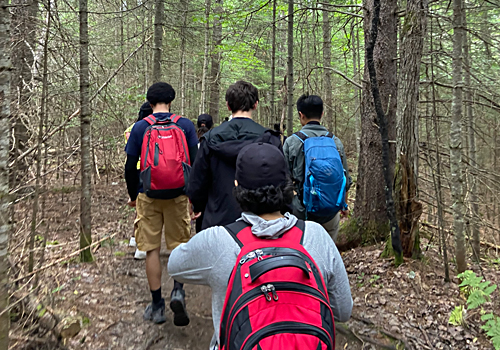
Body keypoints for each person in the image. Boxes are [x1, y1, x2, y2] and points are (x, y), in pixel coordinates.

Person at [168, 142, 352, 350]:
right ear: (287, 187)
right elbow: (343, 311)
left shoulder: (219, 241)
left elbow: (175, 266)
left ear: (237, 187)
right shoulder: (315, 235)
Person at [125, 82, 198, 326]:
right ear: (171, 100)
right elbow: (195, 163)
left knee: (152, 249)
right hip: (178, 195)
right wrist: (193, 197)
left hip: (148, 194)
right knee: (179, 245)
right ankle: (178, 290)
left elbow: (130, 166)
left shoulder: (140, 127)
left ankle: (157, 306)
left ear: (149, 101)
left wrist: (134, 196)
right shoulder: (185, 125)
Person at [187, 80, 281, 230]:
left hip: (218, 219)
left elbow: (198, 179)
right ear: (255, 104)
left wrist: (197, 205)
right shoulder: (270, 139)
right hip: (259, 222)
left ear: (228, 105)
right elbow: (281, 180)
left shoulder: (210, 139)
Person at [283, 94, 352, 242]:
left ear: (301, 115)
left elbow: (284, 179)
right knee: (327, 254)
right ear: (322, 114)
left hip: (302, 213)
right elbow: (345, 179)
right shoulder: (335, 141)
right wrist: (344, 205)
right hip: (330, 211)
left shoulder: (292, 142)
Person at [124, 102, 153, 260]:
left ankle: (136, 238)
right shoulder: (154, 126)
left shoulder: (131, 129)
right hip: (148, 168)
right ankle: (141, 241)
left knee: (138, 204)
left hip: (134, 168)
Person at [194, 113, 213, 232]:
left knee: (199, 221)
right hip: (213, 190)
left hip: (199, 190)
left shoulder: (194, 146)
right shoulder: (216, 144)